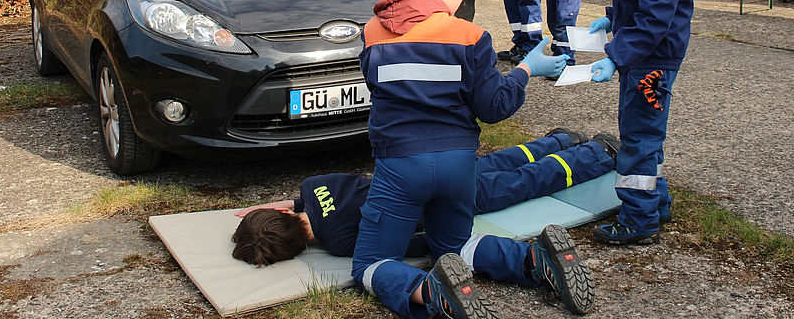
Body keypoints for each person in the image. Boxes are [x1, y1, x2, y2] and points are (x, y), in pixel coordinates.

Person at [350, 0, 589, 319]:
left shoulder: (373, 32)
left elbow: (377, 87)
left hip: (399, 165)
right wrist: (525, 71)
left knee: (369, 265)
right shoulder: (470, 36)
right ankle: (534, 259)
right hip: (458, 165)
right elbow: (493, 108)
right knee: (454, 245)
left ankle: (430, 289)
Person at [231, 131, 619, 263]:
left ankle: (598, 155)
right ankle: (561, 139)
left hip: (437, 200)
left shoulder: (337, 243)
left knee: (524, 183)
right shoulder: (312, 186)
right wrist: (296, 204)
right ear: (274, 210)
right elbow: (345, 187)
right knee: (500, 161)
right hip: (428, 168)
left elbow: (407, 243)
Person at [586, 0, 693, 246]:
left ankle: (639, 219)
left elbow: (654, 23)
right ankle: (654, 203)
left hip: (652, 60)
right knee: (645, 132)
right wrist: (612, 19)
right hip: (643, 56)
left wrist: (615, 56)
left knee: (639, 135)